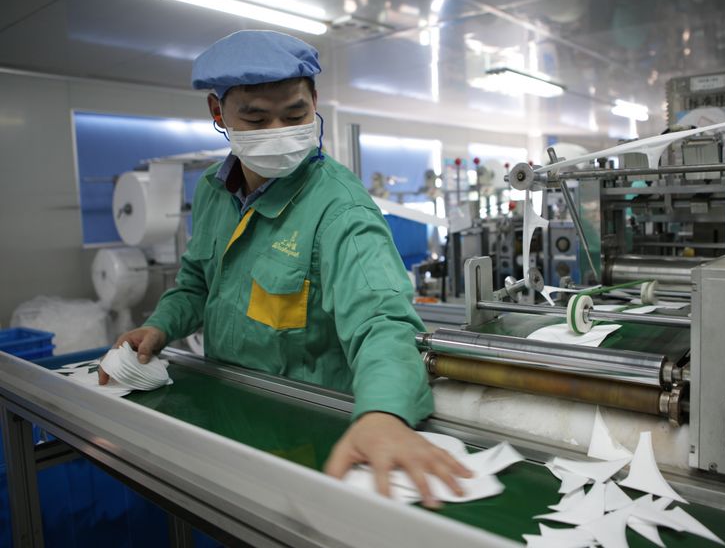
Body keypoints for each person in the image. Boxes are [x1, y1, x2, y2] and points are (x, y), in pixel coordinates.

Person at [100, 30, 469, 506]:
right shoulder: (214, 191)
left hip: (312, 426)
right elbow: (196, 283)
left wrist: (383, 413)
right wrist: (160, 326)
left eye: (295, 115)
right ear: (218, 112)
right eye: (256, 118)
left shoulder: (339, 208)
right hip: (231, 410)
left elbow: (382, 320)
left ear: (314, 101)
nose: (277, 130)